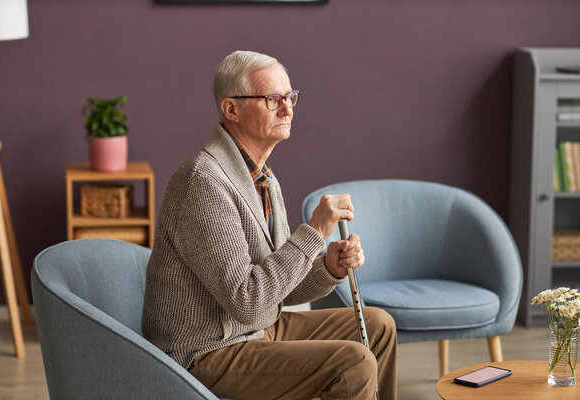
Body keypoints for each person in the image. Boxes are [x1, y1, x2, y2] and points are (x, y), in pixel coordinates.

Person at [142, 50, 397, 400]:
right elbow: (248, 301)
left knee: (378, 326)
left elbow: (275, 291)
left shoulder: (263, 178)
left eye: (290, 97)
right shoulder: (203, 182)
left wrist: (327, 266)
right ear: (232, 109)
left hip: (257, 329)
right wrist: (313, 234)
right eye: (272, 99)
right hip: (206, 351)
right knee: (351, 362)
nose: (288, 109)